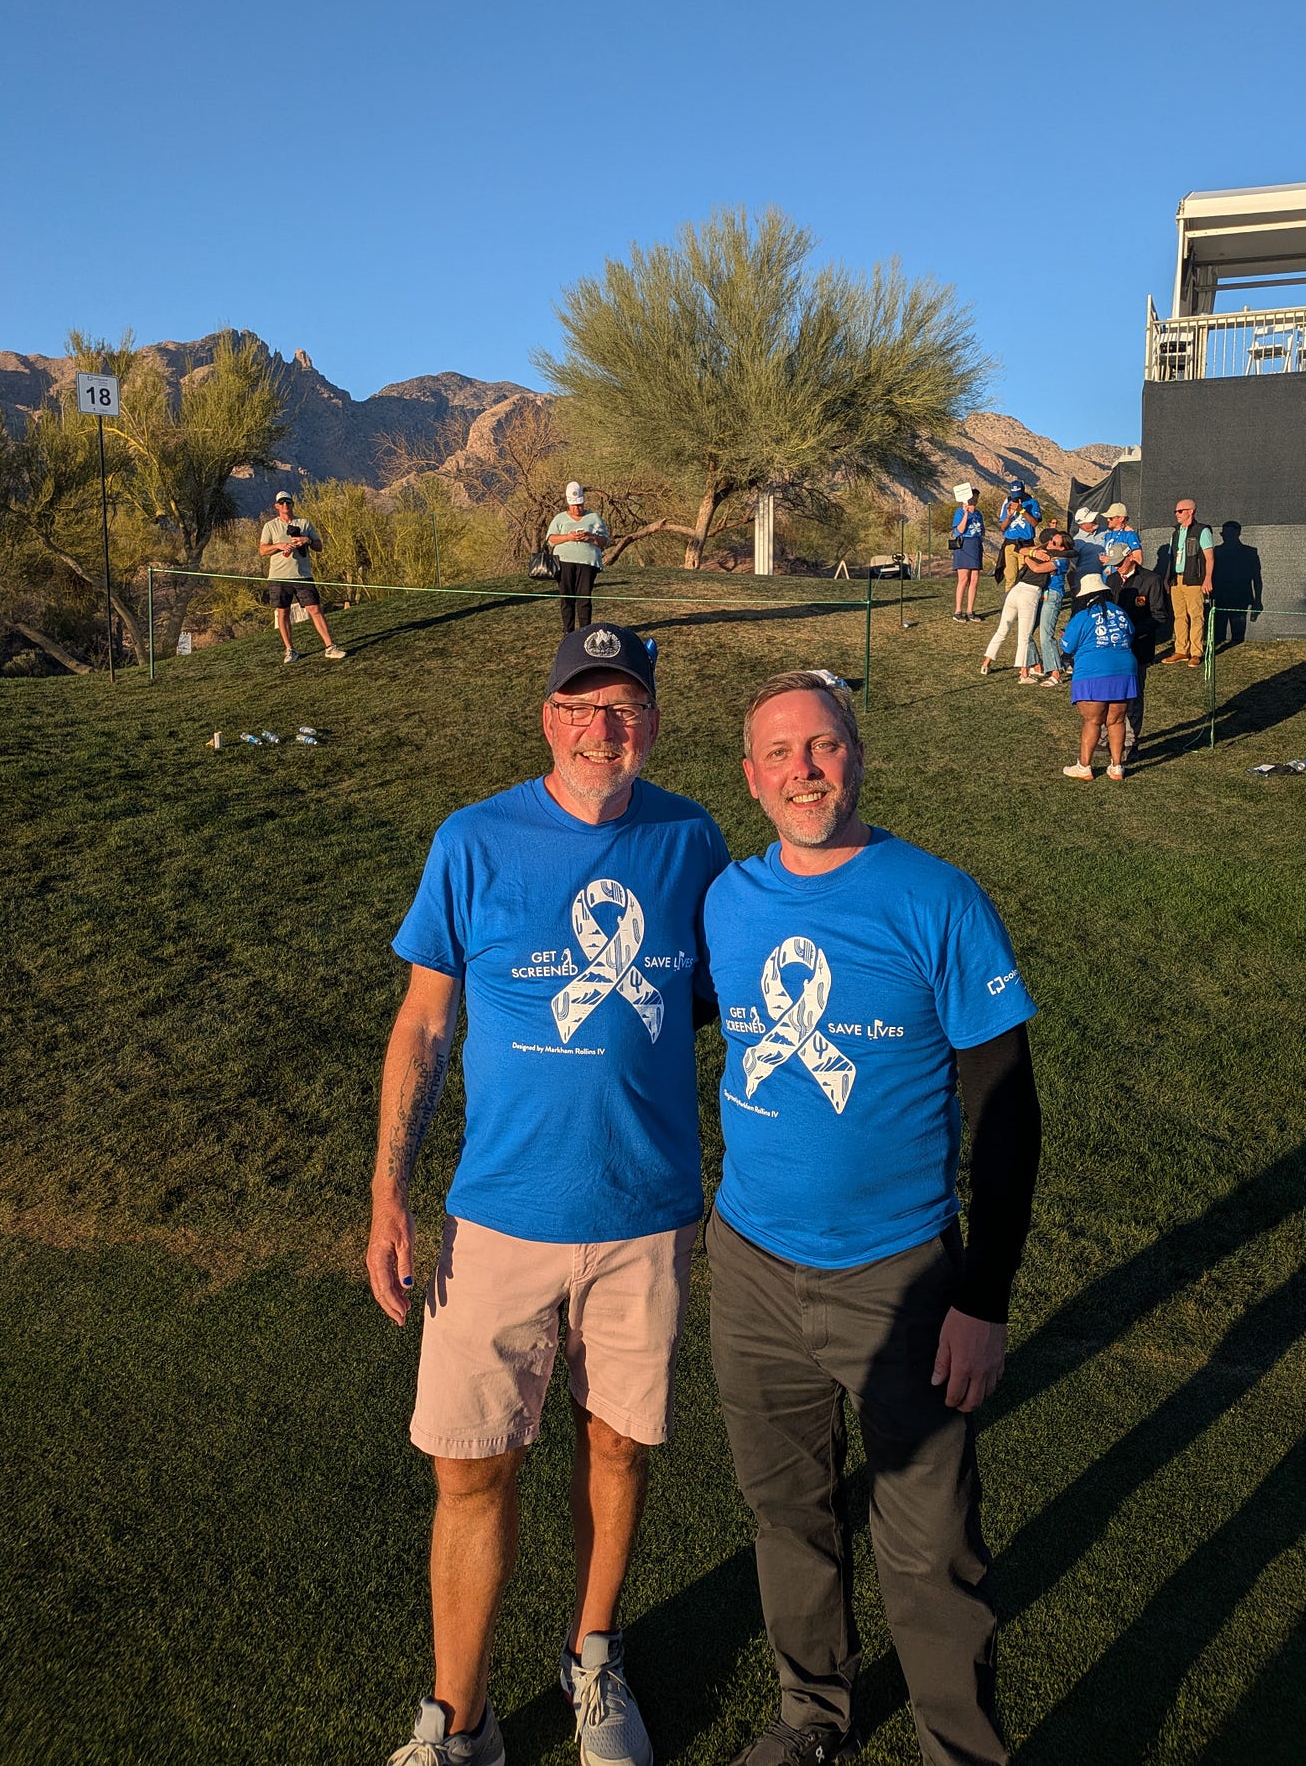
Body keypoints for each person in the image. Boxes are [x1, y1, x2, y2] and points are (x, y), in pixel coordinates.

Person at [369, 623, 729, 1766]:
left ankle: (593, 1656)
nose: (600, 729)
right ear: (547, 719)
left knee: (617, 1450)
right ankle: (459, 1721)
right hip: (499, 1215)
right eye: (580, 706)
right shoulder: (472, 840)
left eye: (623, 708)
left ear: (652, 724)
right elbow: (425, 1021)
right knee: (472, 1467)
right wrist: (388, 1192)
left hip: (645, 1216)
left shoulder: (690, 838)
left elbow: (715, 999)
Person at [703, 671, 1041, 1766]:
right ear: (751, 779)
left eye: (823, 745)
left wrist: (983, 1297)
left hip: (900, 1275)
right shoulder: (725, 901)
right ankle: (813, 1718)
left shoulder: (936, 897)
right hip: (749, 1264)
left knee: (928, 1544)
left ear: (858, 755)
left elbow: (1007, 1109)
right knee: (787, 1512)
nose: (803, 770)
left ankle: (960, 1749)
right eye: (780, 753)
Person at [1058, 573, 1139, 781]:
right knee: (1117, 720)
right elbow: (1130, 634)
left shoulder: (1083, 616)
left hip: (1092, 671)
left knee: (1092, 720)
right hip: (1124, 668)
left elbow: (1067, 646)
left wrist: (1064, 637)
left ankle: (1084, 766)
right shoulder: (1120, 612)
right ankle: (1117, 766)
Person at [258, 490, 346, 663]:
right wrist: (279, 546)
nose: (285, 505)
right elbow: (262, 550)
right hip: (278, 577)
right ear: (276, 506)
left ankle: (330, 647)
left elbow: (319, 546)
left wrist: (307, 541)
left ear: (292, 504)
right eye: (281, 502)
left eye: (288, 502)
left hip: (303, 575)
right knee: (283, 612)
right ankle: (290, 650)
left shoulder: (304, 523)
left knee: (315, 609)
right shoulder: (270, 526)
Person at [1111, 547, 1172, 758]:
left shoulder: (1151, 580)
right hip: (1114, 650)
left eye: (1119, 562)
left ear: (1130, 557)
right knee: (1111, 694)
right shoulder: (1111, 580)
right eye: (1113, 563)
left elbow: (1159, 615)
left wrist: (1132, 632)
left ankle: (1130, 742)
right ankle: (1106, 739)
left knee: (1134, 696)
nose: (1117, 567)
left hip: (1138, 648)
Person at [979, 536, 1045, 683]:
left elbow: (1022, 550)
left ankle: (986, 664)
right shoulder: (1051, 558)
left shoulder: (1033, 551)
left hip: (1015, 591)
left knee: (1002, 630)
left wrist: (1031, 554)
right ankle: (1024, 674)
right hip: (1029, 594)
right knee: (1024, 637)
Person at [547, 482, 610, 634]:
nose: (577, 508)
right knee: (567, 598)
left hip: (587, 563)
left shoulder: (594, 518)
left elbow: (605, 541)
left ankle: (584, 632)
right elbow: (551, 539)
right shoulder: (560, 518)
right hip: (564, 562)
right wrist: (568, 537)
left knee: (584, 599)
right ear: (568, 504)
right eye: (574, 505)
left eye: (580, 505)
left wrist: (591, 537)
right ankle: (568, 632)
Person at [1162, 497, 1215, 667]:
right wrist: (1168, 578)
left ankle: (1196, 652)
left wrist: (1207, 579)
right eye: (1175, 511)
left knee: (1196, 616)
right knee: (1179, 616)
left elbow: (1209, 558)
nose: (1176, 514)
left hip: (1194, 580)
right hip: (1176, 579)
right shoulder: (1176, 532)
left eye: (1180, 511)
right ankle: (1181, 650)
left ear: (1190, 512)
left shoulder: (1202, 531)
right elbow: (1171, 557)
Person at [1026, 524, 1073, 686]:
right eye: (1051, 540)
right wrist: (1032, 552)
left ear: (1062, 548)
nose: (1050, 544)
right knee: (1026, 631)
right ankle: (1036, 664)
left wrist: (1027, 557)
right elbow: (1023, 549)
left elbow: (1037, 568)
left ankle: (1055, 673)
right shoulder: (1047, 553)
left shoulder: (1062, 561)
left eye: (1054, 543)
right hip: (1040, 594)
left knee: (1046, 634)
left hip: (1052, 596)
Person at [996, 483, 1041, 590]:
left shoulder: (1032, 502)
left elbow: (1034, 523)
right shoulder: (1007, 503)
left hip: (1025, 544)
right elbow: (1002, 527)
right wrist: (1008, 516)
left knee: (1023, 576)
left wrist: (1022, 510)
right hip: (1010, 544)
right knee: (1010, 577)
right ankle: (1008, 598)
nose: (1016, 498)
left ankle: (1023, 598)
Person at [949, 487, 985, 621]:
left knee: (974, 580)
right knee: (963, 579)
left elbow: (982, 530)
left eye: (976, 498)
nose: (974, 501)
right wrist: (965, 514)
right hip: (964, 545)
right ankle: (958, 611)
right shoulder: (959, 512)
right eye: (972, 498)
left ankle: (970, 611)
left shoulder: (979, 514)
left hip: (976, 545)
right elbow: (959, 530)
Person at [1099, 503, 1142, 575]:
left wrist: (1111, 560)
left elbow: (1138, 560)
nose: (1108, 520)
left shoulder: (1129, 535)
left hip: (1122, 576)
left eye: (1111, 518)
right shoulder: (1108, 535)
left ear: (1121, 518)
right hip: (1107, 577)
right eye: (1107, 517)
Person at [1070, 507, 1107, 585]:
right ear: (1082, 525)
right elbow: (1072, 568)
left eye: (1094, 518)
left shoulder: (1105, 531)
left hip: (1108, 578)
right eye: (1091, 520)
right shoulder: (1076, 542)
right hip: (1089, 583)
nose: (1094, 521)